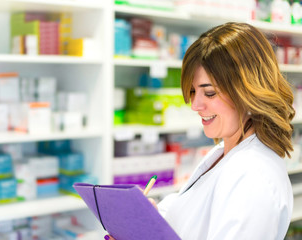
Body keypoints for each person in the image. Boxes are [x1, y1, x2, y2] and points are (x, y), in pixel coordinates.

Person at [105, 22, 295, 240]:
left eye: (210, 93)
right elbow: (190, 213)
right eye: (193, 92)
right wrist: (147, 219)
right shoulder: (226, 152)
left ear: (250, 91)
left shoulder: (254, 177)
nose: (195, 105)